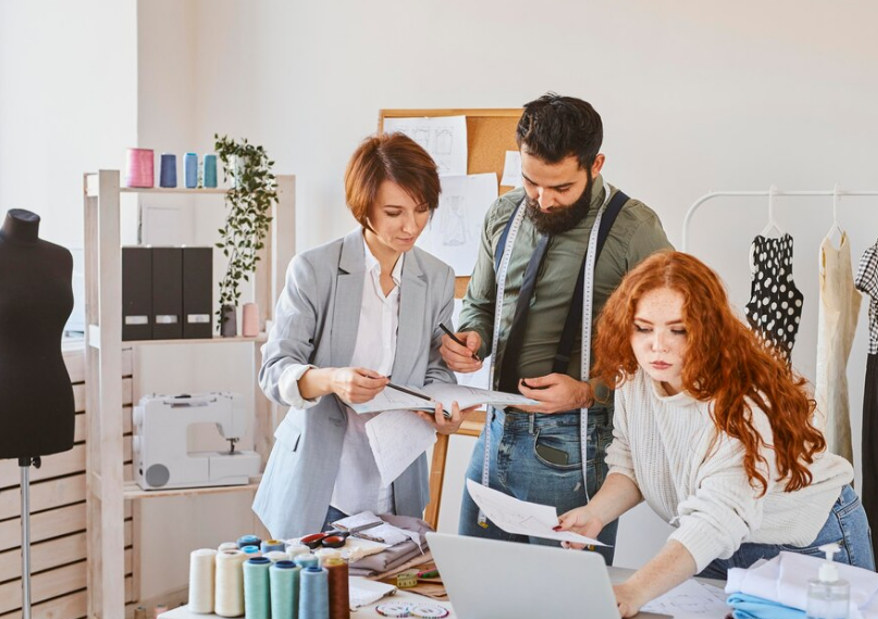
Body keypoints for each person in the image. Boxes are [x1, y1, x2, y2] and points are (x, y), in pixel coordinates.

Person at [558, 251, 874, 617]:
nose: (656, 346)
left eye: (678, 330)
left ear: (706, 329)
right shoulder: (637, 376)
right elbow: (632, 461)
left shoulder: (745, 399)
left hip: (803, 543)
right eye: (643, 328)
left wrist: (634, 590)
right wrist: (596, 513)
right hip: (711, 543)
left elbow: (718, 518)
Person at [442, 94, 672, 562]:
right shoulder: (502, 215)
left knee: (566, 610)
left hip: (574, 446)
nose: (543, 200)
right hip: (494, 432)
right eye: (531, 182)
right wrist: (473, 338)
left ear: (596, 164)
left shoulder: (636, 230)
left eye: (561, 188)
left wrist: (590, 391)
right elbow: (480, 304)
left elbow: (672, 347)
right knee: (477, 589)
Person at [253, 132, 474, 540]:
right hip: (321, 483)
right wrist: (333, 379)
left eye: (422, 209)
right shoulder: (314, 270)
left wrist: (443, 411)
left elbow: (436, 373)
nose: (411, 226)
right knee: (317, 603)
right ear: (364, 209)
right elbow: (274, 370)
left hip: (395, 482)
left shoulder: (437, 277)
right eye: (394, 212)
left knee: (389, 602)